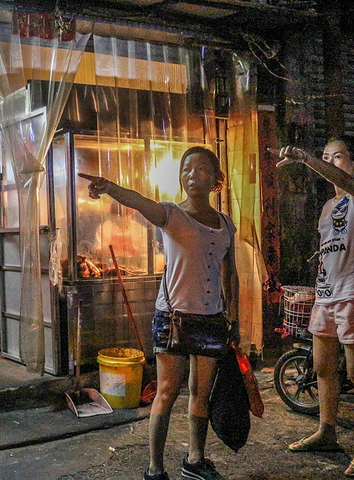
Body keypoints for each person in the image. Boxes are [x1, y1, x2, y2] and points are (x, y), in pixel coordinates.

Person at [80, 146, 240, 480]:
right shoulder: (171, 214)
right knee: (167, 392)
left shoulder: (225, 224)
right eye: (186, 169)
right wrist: (108, 186)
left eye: (201, 169)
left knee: (201, 394)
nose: (192, 174)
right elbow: (138, 200)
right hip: (174, 318)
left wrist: (233, 318)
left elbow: (231, 273)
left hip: (211, 318)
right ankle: (155, 468)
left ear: (216, 179)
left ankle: (194, 460)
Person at [275, 137, 354, 476]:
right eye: (325, 157)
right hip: (326, 294)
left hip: (351, 294)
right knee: (323, 368)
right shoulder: (327, 208)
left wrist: (307, 159)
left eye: (337, 157)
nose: (330, 163)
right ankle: (326, 431)